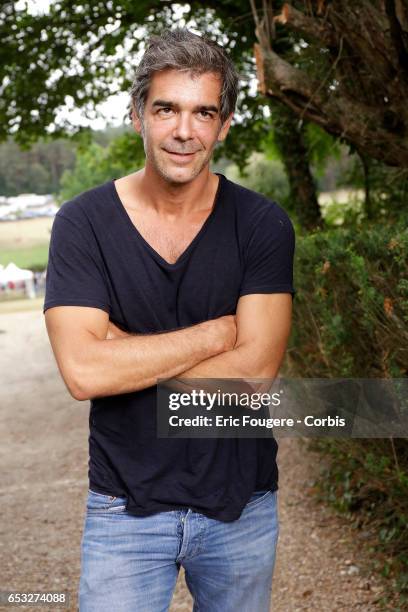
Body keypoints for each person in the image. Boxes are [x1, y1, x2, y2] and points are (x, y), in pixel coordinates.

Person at [44, 27, 295, 612]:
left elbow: (256, 374)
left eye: (203, 112)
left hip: (242, 505)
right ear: (138, 114)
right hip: (122, 509)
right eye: (166, 109)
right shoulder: (83, 225)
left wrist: (123, 355)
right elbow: (83, 373)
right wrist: (217, 333)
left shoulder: (262, 225)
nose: (184, 131)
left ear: (224, 124)